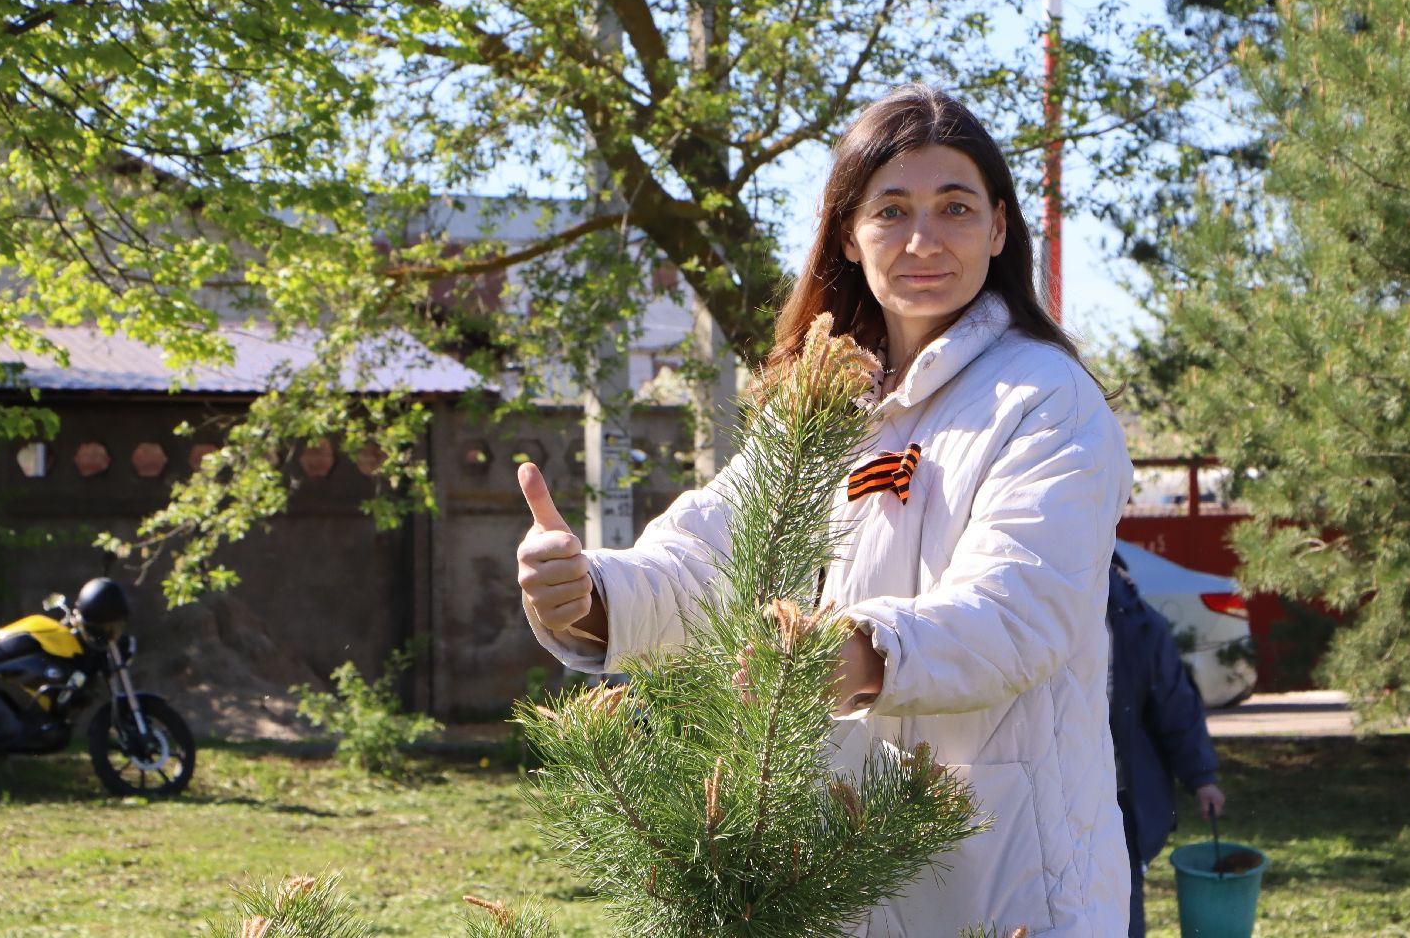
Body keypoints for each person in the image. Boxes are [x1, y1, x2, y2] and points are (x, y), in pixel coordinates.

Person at [516, 84, 1133, 936]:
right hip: (834, 877)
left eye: (955, 208)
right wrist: (587, 593)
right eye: (891, 211)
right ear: (850, 232)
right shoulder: (824, 409)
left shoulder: (1045, 400)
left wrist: (855, 652)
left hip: (1008, 883)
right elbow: (710, 563)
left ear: (998, 228)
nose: (924, 239)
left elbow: (1020, 608)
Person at [1107, 551, 1226, 938]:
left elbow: (1174, 704)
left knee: (1123, 900)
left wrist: (1202, 776)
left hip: (1120, 796)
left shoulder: (1137, 623)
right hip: (1054, 791)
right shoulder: (1043, 607)